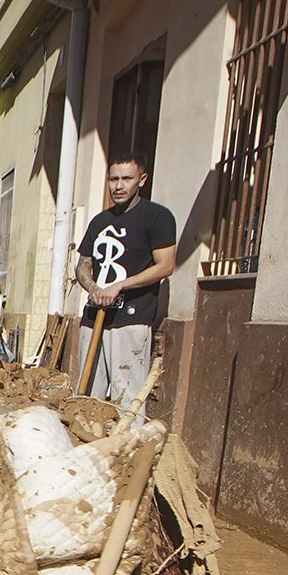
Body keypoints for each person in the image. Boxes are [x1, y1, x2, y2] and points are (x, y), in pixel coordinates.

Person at [74, 152, 176, 413]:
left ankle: (130, 450)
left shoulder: (157, 217)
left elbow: (165, 266)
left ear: (141, 180)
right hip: (94, 316)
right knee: (85, 398)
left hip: (131, 319)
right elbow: (84, 263)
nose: (118, 186)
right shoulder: (100, 221)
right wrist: (95, 288)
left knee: (126, 395)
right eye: (113, 179)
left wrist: (120, 285)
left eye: (126, 179)